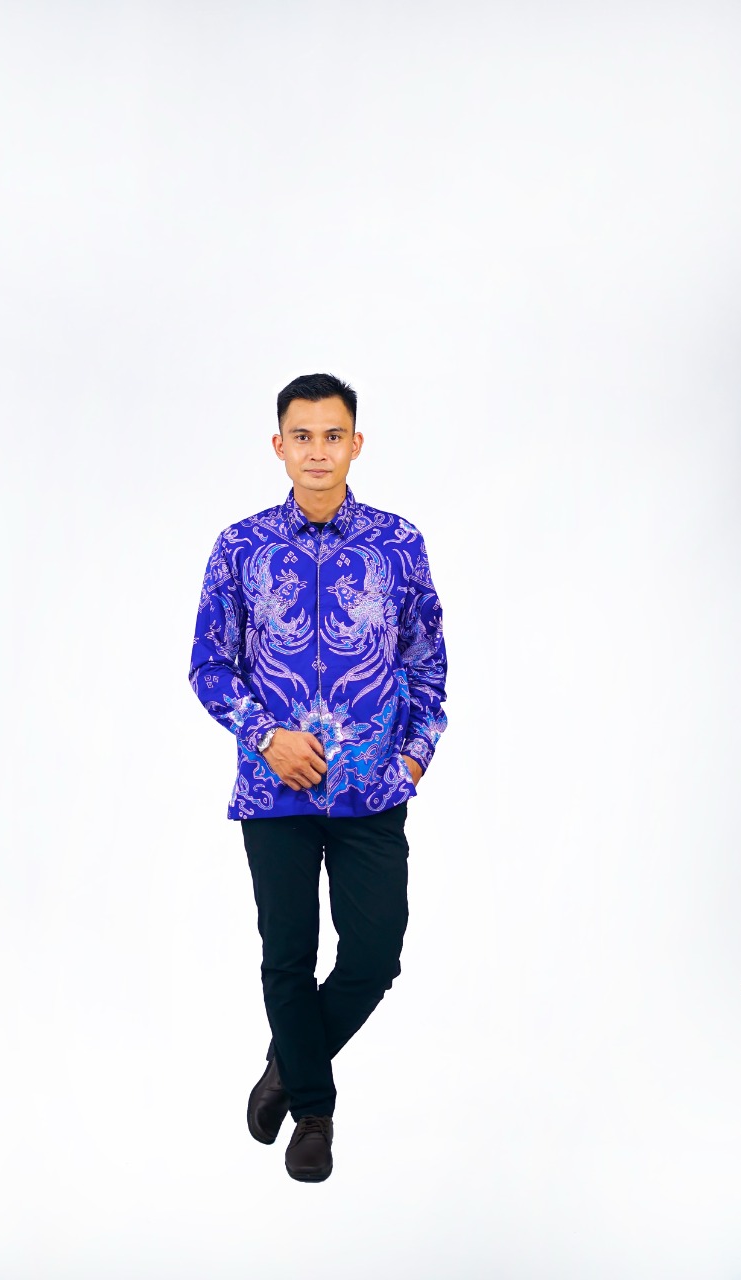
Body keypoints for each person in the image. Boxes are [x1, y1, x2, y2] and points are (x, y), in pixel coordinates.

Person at [188, 372, 448, 1182]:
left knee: (375, 955)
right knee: (288, 957)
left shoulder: (399, 544)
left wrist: (412, 757)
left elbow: (427, 662)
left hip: (373, 790)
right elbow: (209, 665)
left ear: (356, 443)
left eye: (333, 435)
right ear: (279, 446)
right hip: (275, 794)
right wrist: (266, 738)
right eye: (302, 436)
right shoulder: (240, 547)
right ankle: (313, 1115)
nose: (318, 451)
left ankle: (288, 1064)